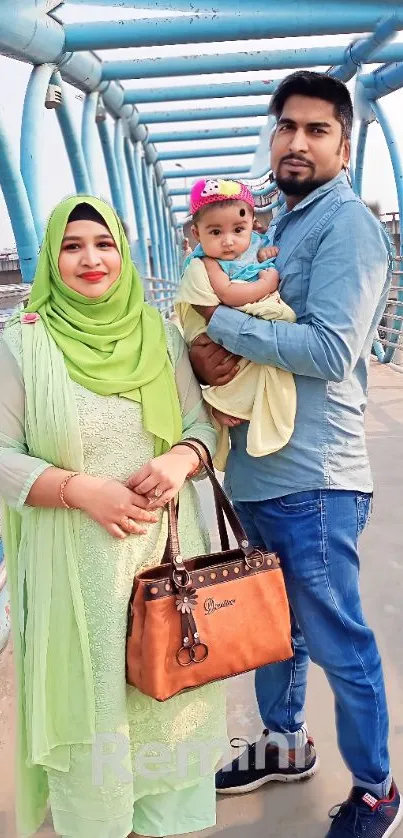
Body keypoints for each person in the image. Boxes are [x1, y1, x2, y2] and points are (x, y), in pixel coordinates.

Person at [189, 71, 401, 838]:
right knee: (274, 630)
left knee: (339, 641)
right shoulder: (279, 225)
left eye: (317, 130)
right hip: (260, 471)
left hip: (313, 476)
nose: (297, 141)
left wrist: (222, 324)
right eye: (286, 127)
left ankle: (375, 789)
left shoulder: (344, 225)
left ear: (344, 145)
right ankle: (283, 742)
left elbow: (331, 348)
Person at [0, 196, 227, 838]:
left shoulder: (156, 333)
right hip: (75, 573)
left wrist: (183, 459)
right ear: (51, 258)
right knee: (97, 710)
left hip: (163, 561)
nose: (91, 259)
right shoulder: (22, 344)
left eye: (103, 244)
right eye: (72, 246)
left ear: (124, 254)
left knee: (160, 705)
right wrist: (79, 490)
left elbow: (199, 425)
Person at [175, 178, 297, 470]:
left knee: (258, 361)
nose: (228, 241)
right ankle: (219, 404)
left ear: (253, 224)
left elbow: (261, 257)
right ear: (196, 234)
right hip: (217, 333)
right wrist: (267, 283)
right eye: (215, 232)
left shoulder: (252, 247)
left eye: (238, 230)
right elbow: (228, 295)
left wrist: (265, 256)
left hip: (240, 326)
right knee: (236, 366)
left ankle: (232, 404)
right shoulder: (204, 264)